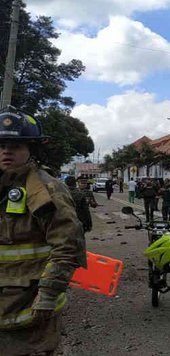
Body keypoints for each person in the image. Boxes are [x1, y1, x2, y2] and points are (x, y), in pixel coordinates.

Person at [0, 107, 87, 355]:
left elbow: (68, 245)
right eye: (2, 144)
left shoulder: (45, 189)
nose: (6, 150)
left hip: (30, 309)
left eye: (15, 145)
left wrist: (48, 294)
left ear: (30, 150)